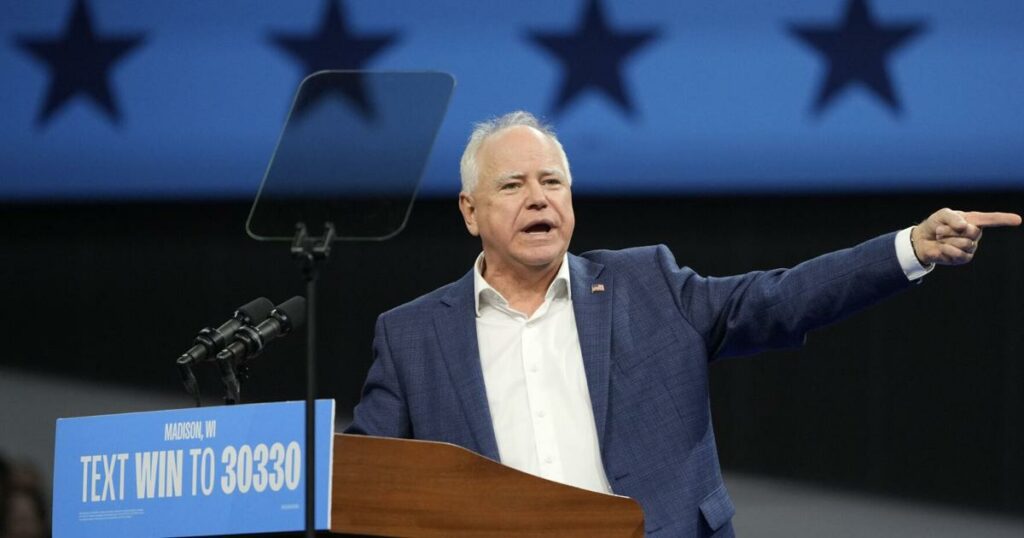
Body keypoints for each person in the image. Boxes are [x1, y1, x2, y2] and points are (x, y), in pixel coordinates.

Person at [346, 111, 1021, 537]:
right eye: (513, 185)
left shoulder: (647, 285)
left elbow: (780, 299)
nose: (538, 199)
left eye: (552, 182)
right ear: (469, 212)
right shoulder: (412, 335)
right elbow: (366, 483)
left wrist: (909, 248)